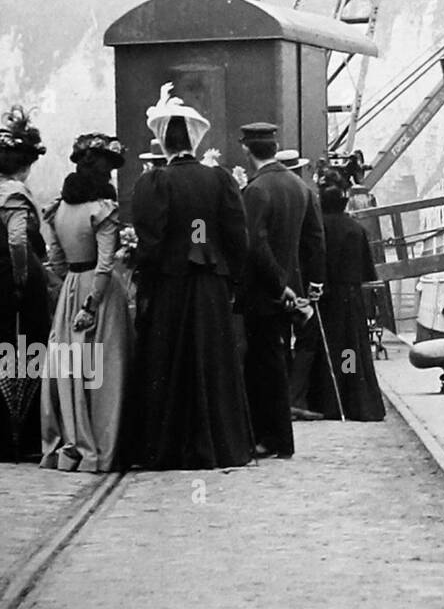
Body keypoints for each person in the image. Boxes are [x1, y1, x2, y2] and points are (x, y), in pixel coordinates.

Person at [129, 85, 255, 470]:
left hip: (171, 284)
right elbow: (237, 237)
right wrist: (230, 277)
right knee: (214, 361)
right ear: (196, 143)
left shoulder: (154, 183)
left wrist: (143, 275)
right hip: (211, 285)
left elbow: (151, 238)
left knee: (168, 362)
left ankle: (169, 445)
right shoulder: (220, 180)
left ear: (164, 143)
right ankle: (219, 442)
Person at [40, 133, 134, 472]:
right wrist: (90, 304)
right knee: (105, 369)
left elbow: (56, 260)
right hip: (101, 294)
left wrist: (71, 293)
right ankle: (103, 444)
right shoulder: (102, 210)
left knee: (72, 369)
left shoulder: (57, 209)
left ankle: (69, 447)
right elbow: (106, 263)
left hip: (70, 289)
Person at [237, 122, 325, 456]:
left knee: (262, 365)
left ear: (247, 150)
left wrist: (279, 285)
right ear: (274, 148)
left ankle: (268, 438)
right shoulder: (299, 187)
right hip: (294, 291)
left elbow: (255, 245)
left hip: (265, 293)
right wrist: (312, 285)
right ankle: (279, 439)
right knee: (278, 358)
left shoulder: (256, 190)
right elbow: (315, 239)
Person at [299, 172, 385, 421]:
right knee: (350, 348)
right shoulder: (356, 229)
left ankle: (327, 400)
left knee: (325, 349)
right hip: (350, 296)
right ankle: (351, 396)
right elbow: (367, 270)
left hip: (325, 296)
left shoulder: (317, 228)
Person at [0, 107, 51, 459]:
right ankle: (23, 435)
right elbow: (18, 239)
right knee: (26, 351)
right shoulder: (16, 193)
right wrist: (21, 278)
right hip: (13, 282)